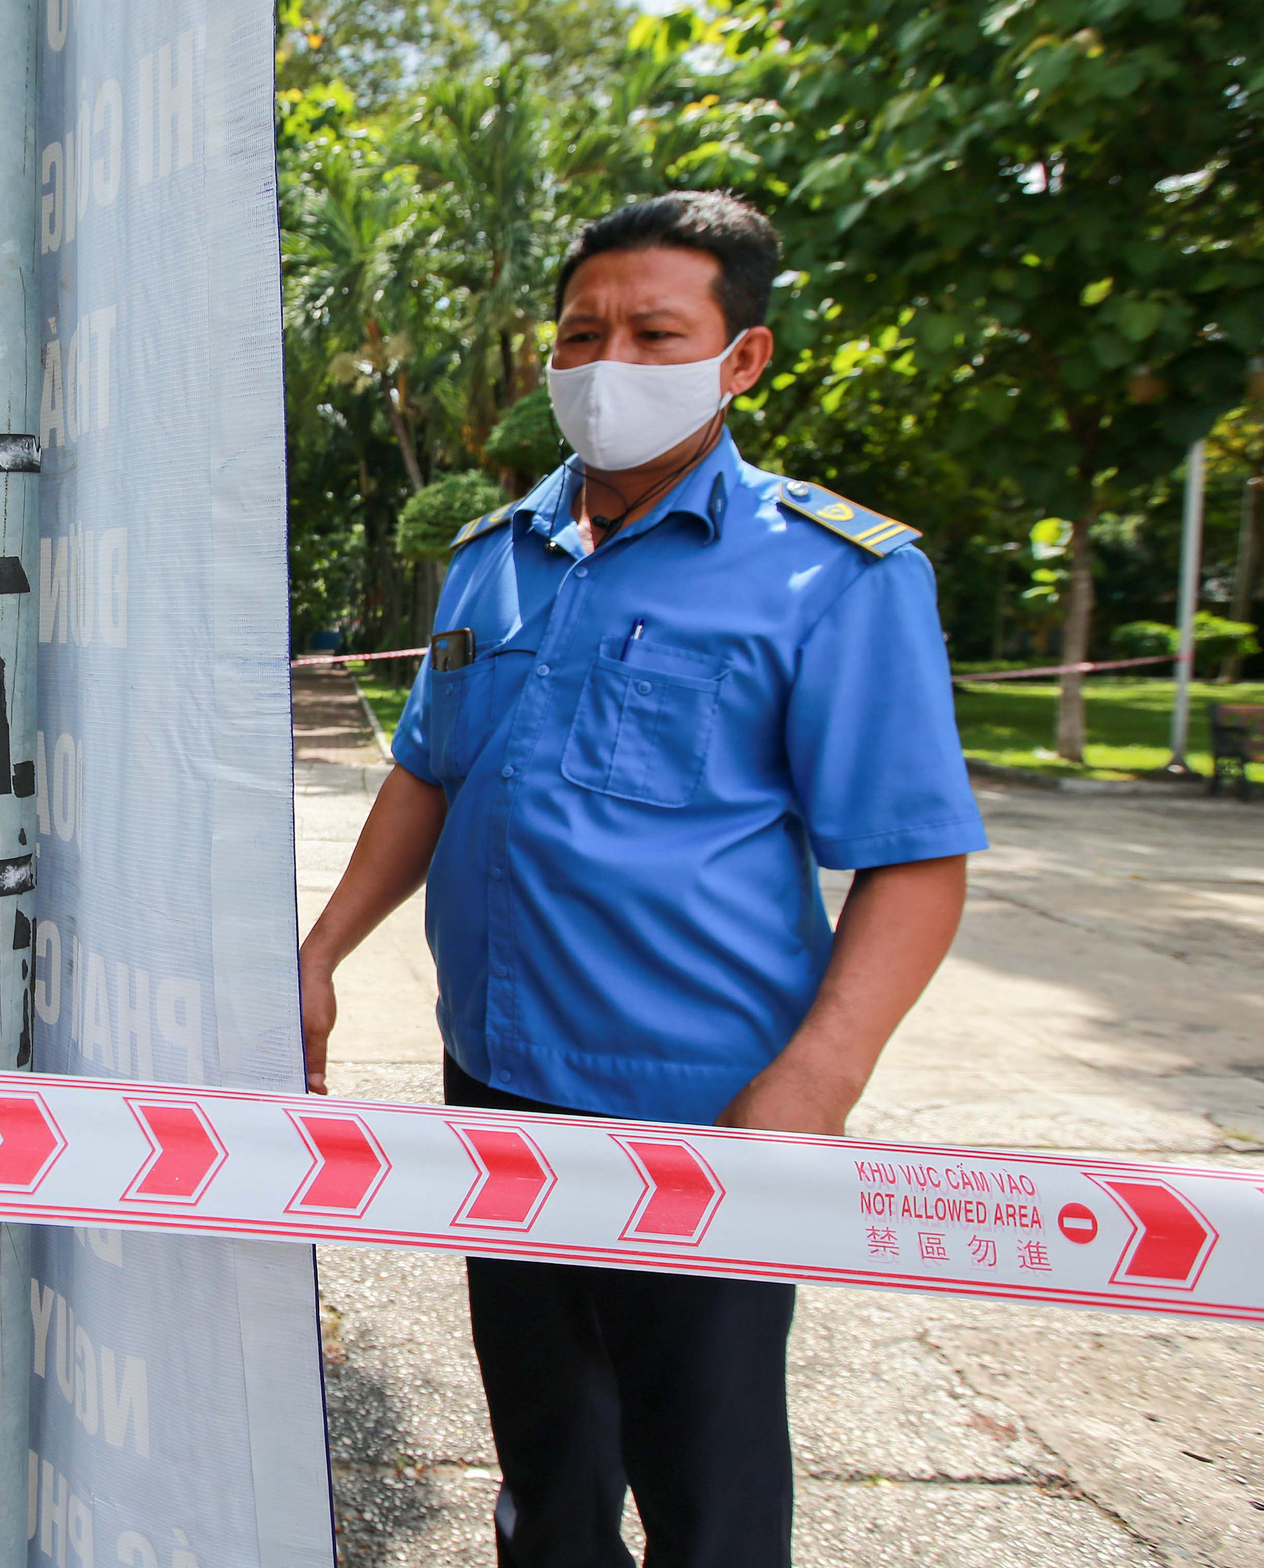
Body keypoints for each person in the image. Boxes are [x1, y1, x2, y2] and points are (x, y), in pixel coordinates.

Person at [299, 191, 985, 1568]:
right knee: (546, 1473)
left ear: (742, 358)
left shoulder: (833, 577)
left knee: (707, 1491)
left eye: (653, 330)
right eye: (581, 332)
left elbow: (915, 860)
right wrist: (318, 954)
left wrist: (809, 1089)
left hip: (703, 1115)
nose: (606, 361)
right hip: (496, 1087)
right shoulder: (493, 561)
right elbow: (429, 773)